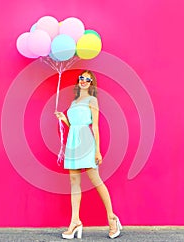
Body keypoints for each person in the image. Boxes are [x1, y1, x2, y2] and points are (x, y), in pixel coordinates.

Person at [54, 70, 122, 239]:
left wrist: (97, 150)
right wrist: (64, 119)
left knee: (95, 180)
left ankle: (112, 218)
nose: (83, 81)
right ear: (78, 82)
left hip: (86, 141)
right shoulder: (74, 102)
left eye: (87, 79)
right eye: (81, 78)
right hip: (72, 141)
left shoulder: (93, 100)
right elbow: (74, 124)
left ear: (91, 84)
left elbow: (95, 126)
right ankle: (75, 221)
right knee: (73, 181)